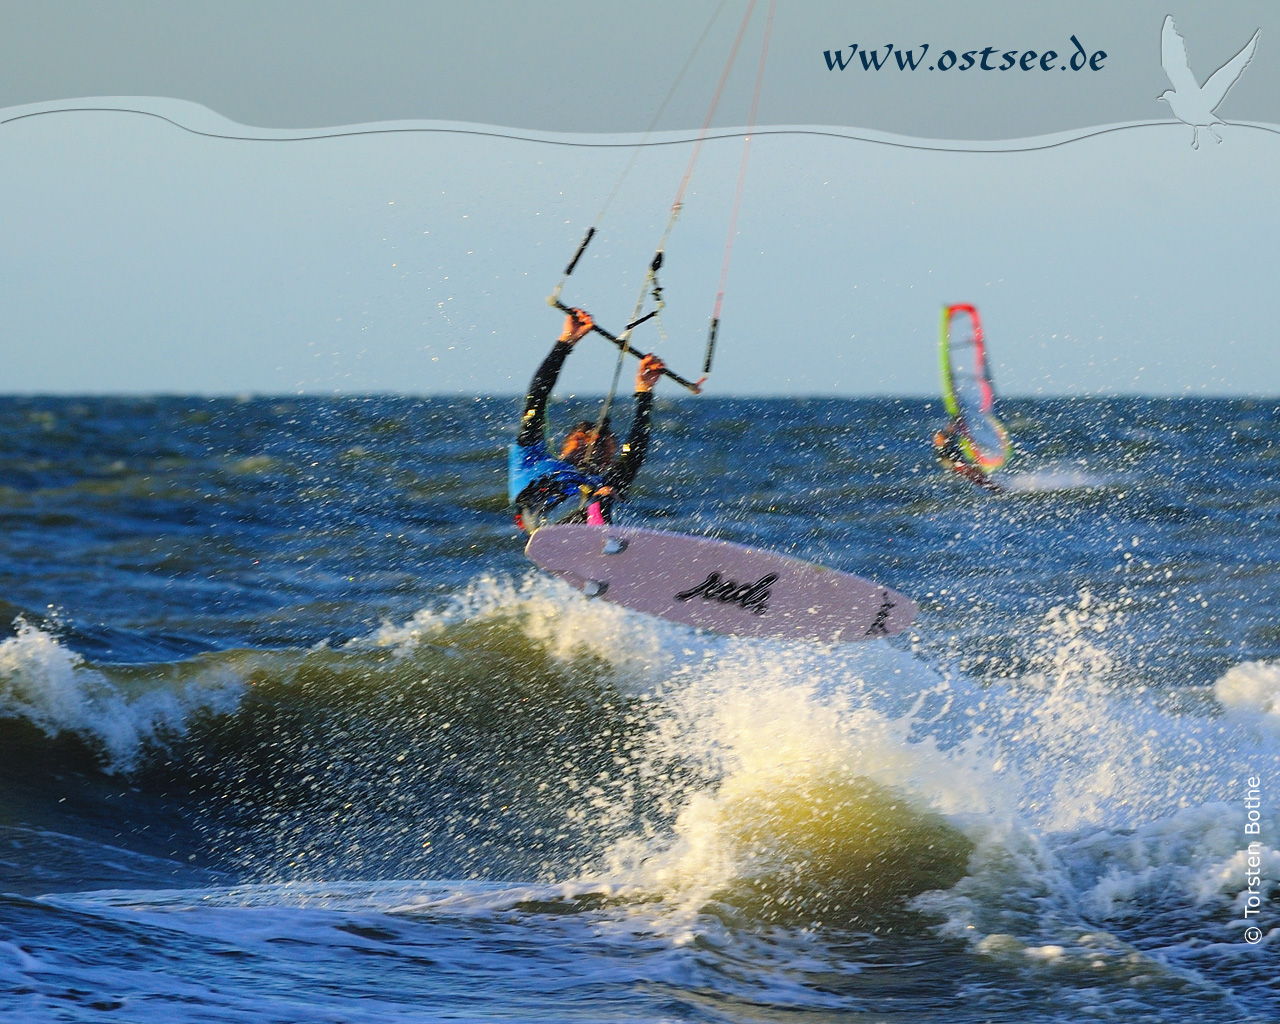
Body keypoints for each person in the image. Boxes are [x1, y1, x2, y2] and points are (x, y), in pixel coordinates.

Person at [509, 308, 666, 532]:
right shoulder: (530, 457)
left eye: (603, 447)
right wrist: (565, 342)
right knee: (602, 495)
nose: (591, 449)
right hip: (541, 519)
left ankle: (603, 544)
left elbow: (634, 453)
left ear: (609, 460)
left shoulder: (601, 482)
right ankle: (601, 534)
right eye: (582, 440)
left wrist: (644, 392)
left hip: (586, 524)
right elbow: (538, 396)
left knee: (607, 491)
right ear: (565, 442)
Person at [933, 417, 1000, 491]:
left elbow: (958, 432)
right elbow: (946, 461)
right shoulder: (942, 449)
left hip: (961, 461)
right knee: (972, 473)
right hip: (955, 464)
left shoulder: (949, 436)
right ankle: (991, 488)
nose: (937, 441)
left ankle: (994, 486)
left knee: (977, 470)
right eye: (937, 440)